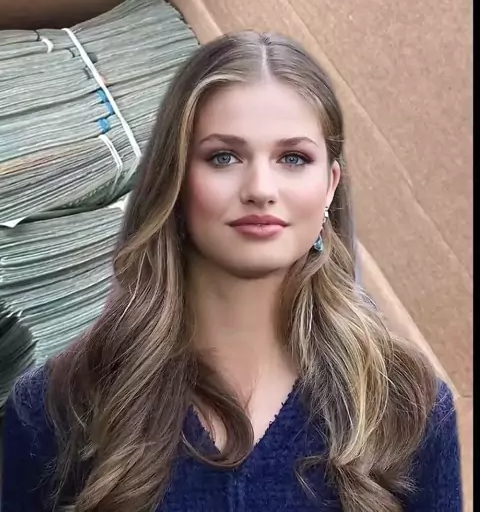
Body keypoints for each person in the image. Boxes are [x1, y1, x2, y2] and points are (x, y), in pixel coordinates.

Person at [1, 31, 462, 511]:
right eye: (224, 157)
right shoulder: (59, 405)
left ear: (330, 186)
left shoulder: (409, 406)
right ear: (176, 179)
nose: (260, 188)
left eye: (293, 158)